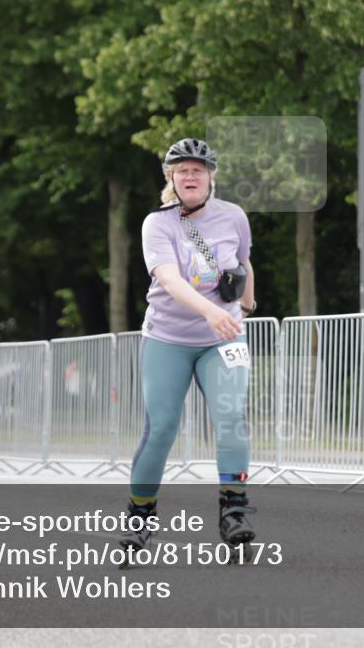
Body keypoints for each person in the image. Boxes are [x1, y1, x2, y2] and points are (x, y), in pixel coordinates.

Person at [119, 138, 257, 561]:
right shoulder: (156, 224)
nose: (191, 176)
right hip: (168, 338)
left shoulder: (234, 216)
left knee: (232, 415)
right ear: (172, 180)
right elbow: (171, 280)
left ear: (211, 176)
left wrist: (246, 305)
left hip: (223, 339)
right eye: (182, 171)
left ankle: (233, 509)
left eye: (198, 169)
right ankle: (140, 517)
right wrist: (210, 312)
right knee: (161, 427)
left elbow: (245, 262)